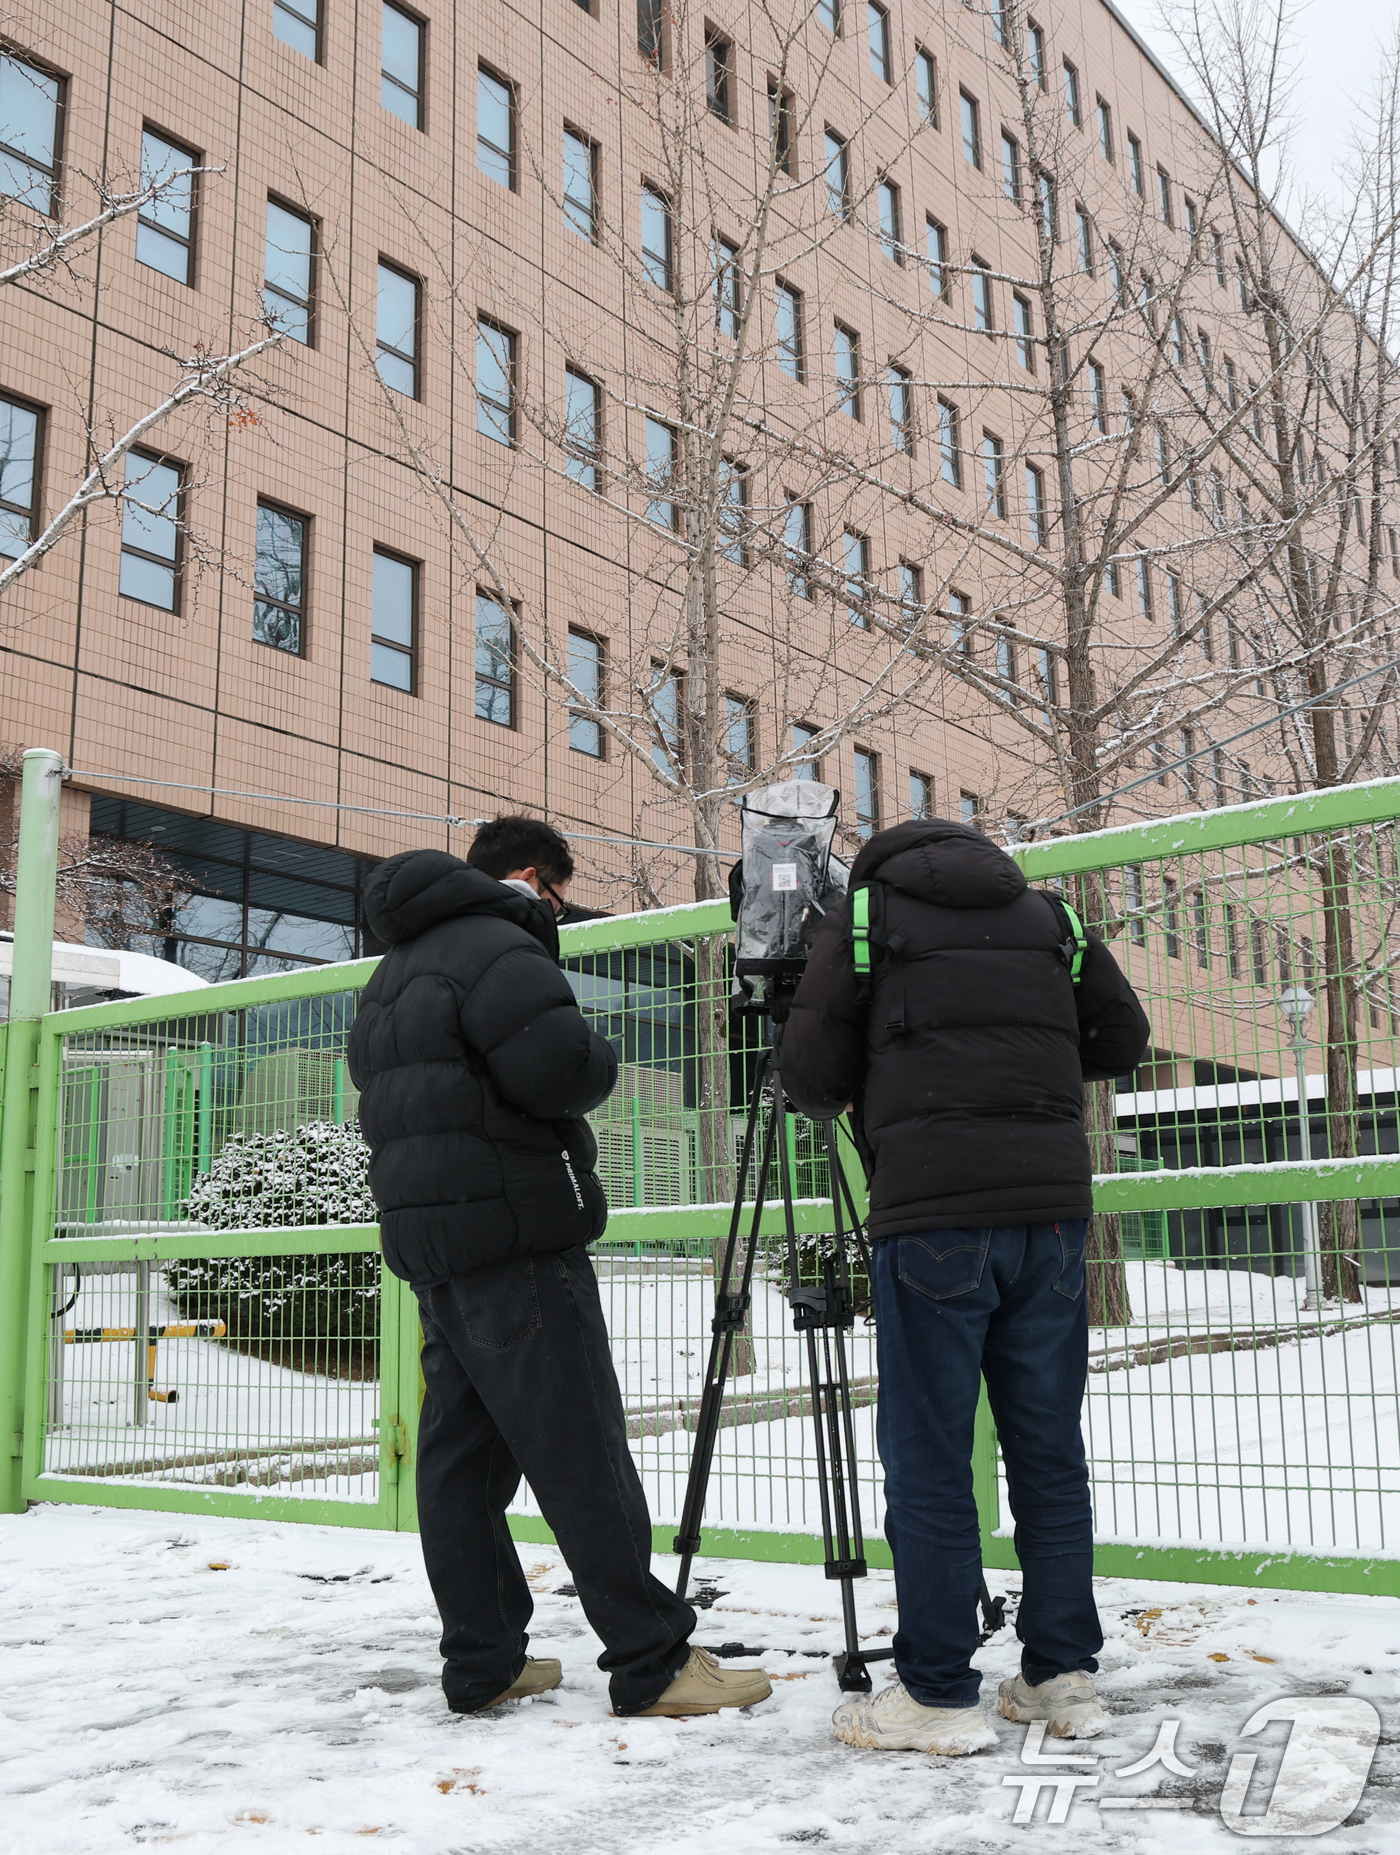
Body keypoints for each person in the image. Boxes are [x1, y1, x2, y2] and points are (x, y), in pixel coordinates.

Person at [348, 815, 771, 1719]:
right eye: (560, 898)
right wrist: (600, 1049)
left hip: (436, 1249)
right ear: (536, 879)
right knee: (582, 1450)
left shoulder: (390, 974)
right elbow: (560, 1071)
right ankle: (652, 1661)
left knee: (459, 1466)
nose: (560, 914)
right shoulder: (498, 947)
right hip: (517, 1237)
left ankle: (483, 1659)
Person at [781, 816, 1149, 1755]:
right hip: (1055, 1216)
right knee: (1048, 1448)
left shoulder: (863, 918)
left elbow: (812, 1078)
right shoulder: (1051, 917)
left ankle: (939, 1691)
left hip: (935, 1213)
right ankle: (1061, 1676)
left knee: (930, 1453)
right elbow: (1123, 1037)